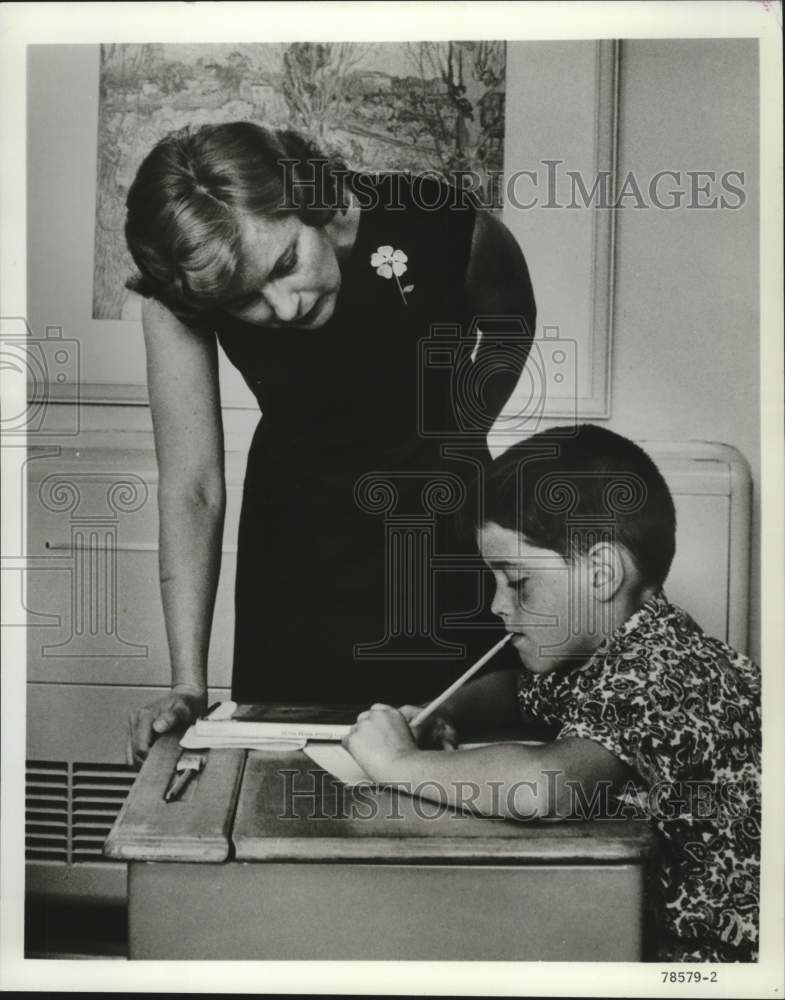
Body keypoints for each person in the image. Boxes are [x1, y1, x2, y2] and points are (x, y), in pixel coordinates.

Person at [125, 122, 536, 764]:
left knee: (458, 762)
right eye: (246, 302)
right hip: (295, 556)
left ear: (305, 195)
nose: (284, 309)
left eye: (286, 263)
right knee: (295, 780)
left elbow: (511, 324)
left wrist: (462, 431)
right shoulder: (184, 290)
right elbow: (193, 487)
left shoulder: (444, 224)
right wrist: (187, 683)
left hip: (440, 529)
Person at [344, 424, 760, 963]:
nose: (498, 605)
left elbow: (546, 787)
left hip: (713, 965)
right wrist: (451, 712)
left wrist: (397, 762)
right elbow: (518, 692)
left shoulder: (663, 669)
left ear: (602, 574)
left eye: (517, 583)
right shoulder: (605, 651)